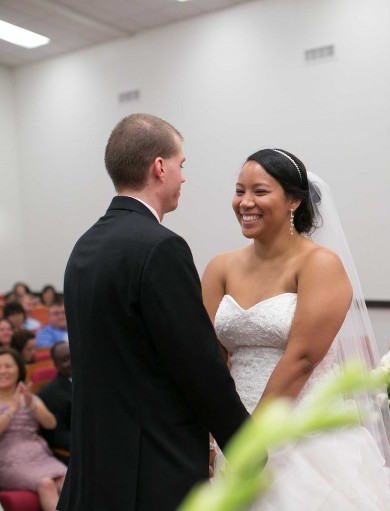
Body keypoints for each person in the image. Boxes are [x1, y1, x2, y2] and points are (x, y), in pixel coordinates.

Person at [60, 113, 250, 511]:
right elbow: (197, 363)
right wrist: (247, 443)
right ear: (159, 167)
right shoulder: (161, 247)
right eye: (182, 166)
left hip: (98, 459)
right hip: (153, 461)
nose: (183, 177)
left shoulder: (85, 244)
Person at [202, 148, 390, 510]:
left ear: (294, 199)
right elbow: (207, 355)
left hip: (303, 433)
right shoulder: (220, 267)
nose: (245, 202)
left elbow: (303, 358)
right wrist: (215, 434)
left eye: (259, 191)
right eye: (239, 190)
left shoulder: (319, 264)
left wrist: (251, 438)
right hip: (231, 426)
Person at [0, 347, 67, 511]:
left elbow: (50, 424)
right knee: (46, 484)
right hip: (9, 462)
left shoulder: (29, 397)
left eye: (8, 366)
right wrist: (13, 408)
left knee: (68, 479)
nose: (3, 371)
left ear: (19, 369)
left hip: (40, 456)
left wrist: (31, 405)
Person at [36, 342, 72, 465]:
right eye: (66, 359)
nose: (73, 362)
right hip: (77, 453)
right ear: (56, 365)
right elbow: (59, 437)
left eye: (74, 355)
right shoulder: (49, 394)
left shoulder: (93, 381)